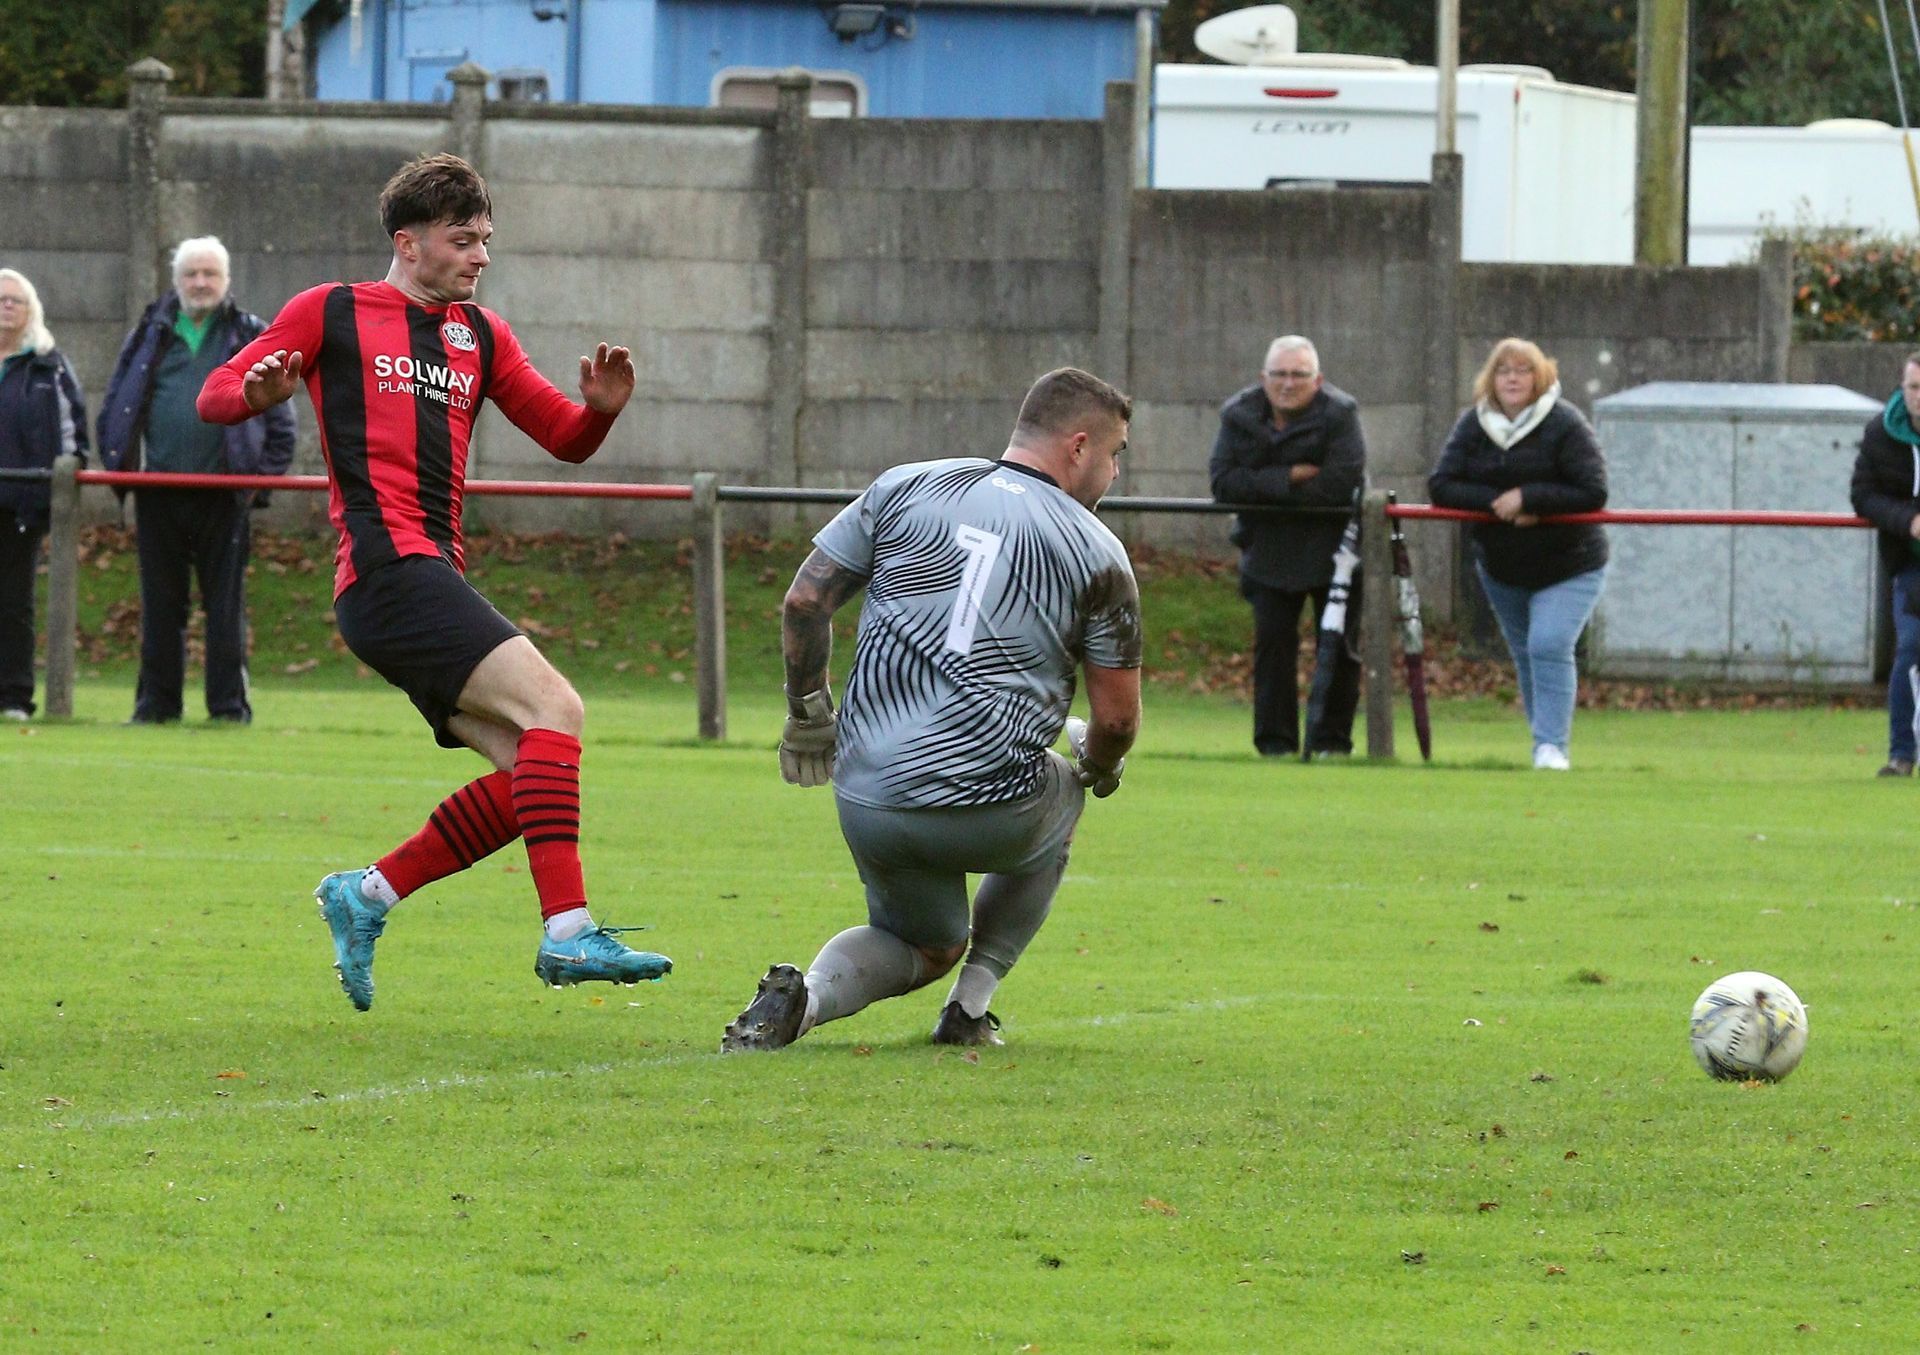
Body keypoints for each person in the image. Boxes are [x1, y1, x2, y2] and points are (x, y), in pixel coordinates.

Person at [197, 152, 670, 1010]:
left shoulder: (480, 335)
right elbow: (216, 394)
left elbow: (562, 437)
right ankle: (568, 932)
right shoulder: (331, 310)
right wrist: (255, 394)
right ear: (408, 243)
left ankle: (367, 892)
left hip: (425, 576)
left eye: (487, 240)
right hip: (385, 571)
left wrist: (600, 410)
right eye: (464, 240)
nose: (481, 256)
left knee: (534, 773)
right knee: (559, 711)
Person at [721, 366, 1143, 1052]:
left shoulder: (909, 483)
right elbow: (1118, 720)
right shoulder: (1095, 548)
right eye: (1115, 452)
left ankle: (806, 1002)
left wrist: (808, 714)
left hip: (868, 791)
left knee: (922, 940)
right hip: (990, 801)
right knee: (1066, 789)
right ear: (1077, 446)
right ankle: (970, 1007)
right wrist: (1099, 763)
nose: (1115, 472)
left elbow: (805, 599)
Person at [98, 236, 297, 725]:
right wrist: (116, 461)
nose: (201, 283)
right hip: (157, 492)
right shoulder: (151, 332)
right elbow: (117, 404)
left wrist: (258, 485)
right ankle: (156, 707)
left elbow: (281, 422)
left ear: (226, 281)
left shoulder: (250, 334)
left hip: (224, 496)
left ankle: (229, 709)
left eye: (210, 274)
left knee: (225, 608)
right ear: (177, 280)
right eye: (191, 274)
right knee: (160, 607)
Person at [1429, 336, 1608, 771]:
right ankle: (1543, 741)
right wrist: (1501, 503)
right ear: (1491, 379)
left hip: (1571, 562)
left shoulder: (1565, 423)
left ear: (1540, 376)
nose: (1513, 378)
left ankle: (1552, 747)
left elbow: (1592, 490)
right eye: (1504, 370)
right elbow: (1442, 486)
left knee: (1548, 643)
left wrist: (1532, 499)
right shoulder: (1474, 424)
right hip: (1503, 566)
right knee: (1528, 653)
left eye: (1523, 370)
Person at [1208, 335, 1367, 758]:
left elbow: (1340, 484)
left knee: (1340, 650)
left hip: (1336, 551)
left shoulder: (1342, 414)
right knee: (1272, 649)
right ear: (1264, 378)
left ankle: (1333, 744)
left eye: (1298, 374)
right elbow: (1224, 484)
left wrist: (1261, 485)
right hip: (1267, 549)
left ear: (1318, 380)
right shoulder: (1237, 414)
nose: (1288, 383)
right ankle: (1274, 746)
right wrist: (1292, 475)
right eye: (1279, 374)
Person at [0, 269, 88, 721]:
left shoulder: (48, 364)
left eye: (15, 300)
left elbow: (72, 435)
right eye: (0, 299)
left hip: (20, 502)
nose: (7, 306)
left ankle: (14, 696)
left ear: (30, 309)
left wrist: (55, 492)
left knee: (14, 603)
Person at [1849, 351, 1920, 777]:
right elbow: (1863, 495)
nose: (1919, 397)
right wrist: (1908, 521)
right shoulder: (1880, 433)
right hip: (1910, 566)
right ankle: (1901, 754)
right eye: (1913, 387)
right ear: (1902, 388)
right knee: (1910, 648)